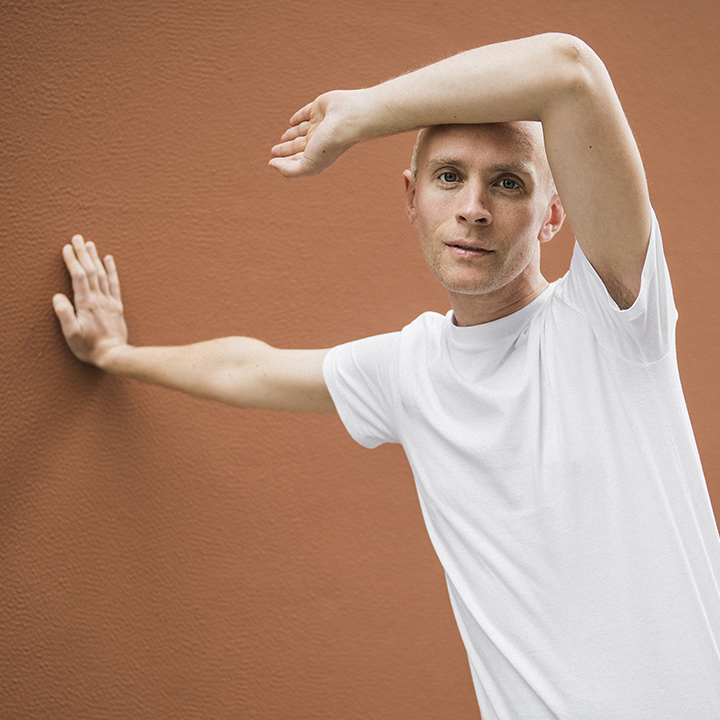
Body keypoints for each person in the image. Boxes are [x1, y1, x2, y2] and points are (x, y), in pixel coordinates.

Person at [54, 32, 720, 719]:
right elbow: (248, 367)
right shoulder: (411, 369)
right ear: (412, 198)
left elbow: (568, 71)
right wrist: (116, 356)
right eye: (449, 176)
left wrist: (362, 113)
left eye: (509, 182)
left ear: (554, 214)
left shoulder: (611, 319)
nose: (474, 207)